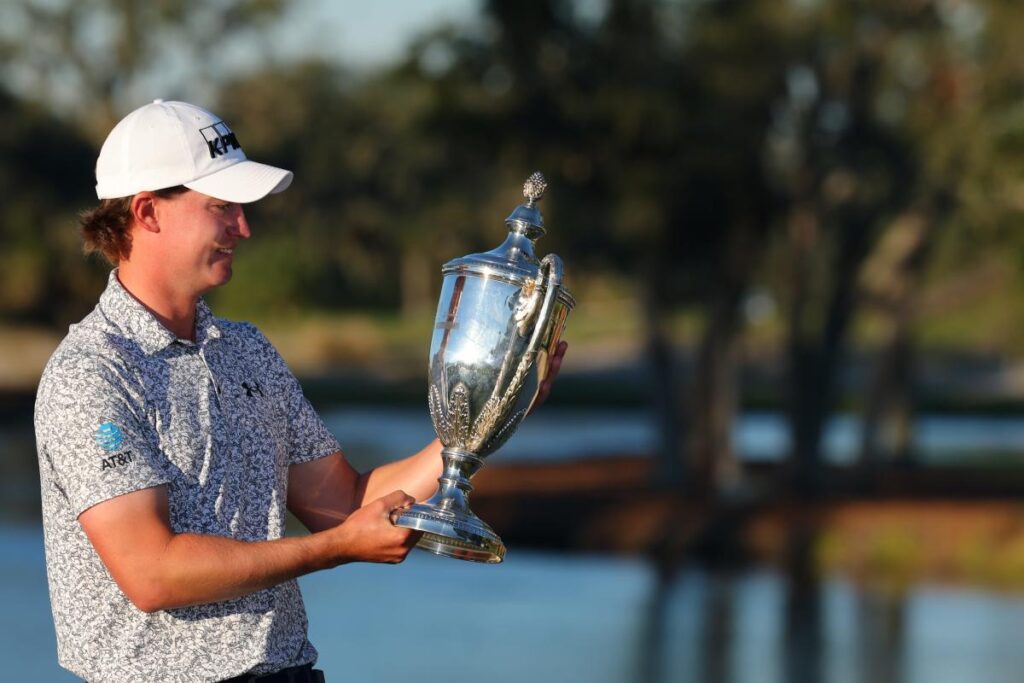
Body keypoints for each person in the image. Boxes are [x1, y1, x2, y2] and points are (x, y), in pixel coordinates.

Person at [34, 99, 567, 683]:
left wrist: (494, 408)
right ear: (147, 212)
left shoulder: (246, 350)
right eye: (222, 207)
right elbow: (152, 573)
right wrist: (337, 548)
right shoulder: (89, 373)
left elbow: (345, 503)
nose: (244, 226)